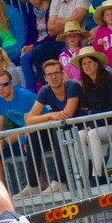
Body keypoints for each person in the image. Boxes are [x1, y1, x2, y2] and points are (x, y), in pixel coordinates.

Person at [25, 59, 77, 195]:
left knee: (57, 129)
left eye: (56, 73)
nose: (54, 77)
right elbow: (30, 120)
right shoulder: (45, 90)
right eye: (49, 74)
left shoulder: (72, 86)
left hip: (77, 127)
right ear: (45, 78)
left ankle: (60, 180)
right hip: (59, 127)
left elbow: (67, 114)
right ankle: (33, 184)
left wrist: (53, 117)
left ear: (62, 74)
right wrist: (50, 116)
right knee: (33, 134)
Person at [74, 46, 112, 186]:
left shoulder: (111, 79)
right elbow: (84, 111)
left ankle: (98, 175)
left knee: (93, 134)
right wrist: (91, 121)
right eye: (84, 64)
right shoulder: (85, 85)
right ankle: (84, 176)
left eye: (90, 62)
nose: (87, 66)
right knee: (80, 135)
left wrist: (93, 120)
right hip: (96, 125)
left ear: (97, 63)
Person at [0, 71, 43, 197]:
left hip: (41, 128)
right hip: (22, 131)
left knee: (28, 140)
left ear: (12, 84)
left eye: (4, 84)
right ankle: (1, 193)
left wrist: (5, 141)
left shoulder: (24, 96)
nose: (1, 88)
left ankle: (37, 185)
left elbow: (28, 125)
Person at [21, 0, 63, 91]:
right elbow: (31, 33)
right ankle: (31, 91)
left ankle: (44, 84)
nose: (33, 0)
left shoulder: (50, 6)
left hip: (52, 40)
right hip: (36, 43)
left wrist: (34, 45)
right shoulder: (31, 11)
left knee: (38, 51)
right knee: (23, 58)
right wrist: (26, 45)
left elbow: (52, 33)